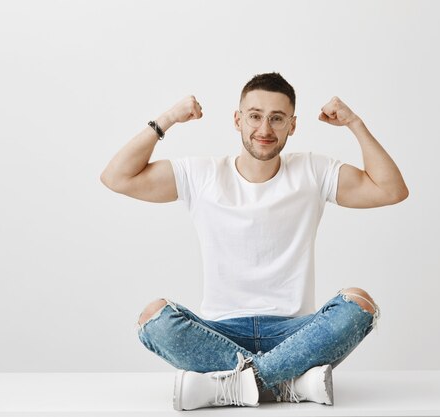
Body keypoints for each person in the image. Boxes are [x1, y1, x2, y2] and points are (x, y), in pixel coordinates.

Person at [100, 72, 408, 411]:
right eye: (255, 116)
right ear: (238, 119)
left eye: (277, 119)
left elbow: (391, 190)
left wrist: (355, 123)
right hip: (219, 333)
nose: (265, 129)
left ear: (292, 126)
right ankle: (288, 382)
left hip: (295, 334)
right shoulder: (201, 175)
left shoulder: (313, 171)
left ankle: (227, 387)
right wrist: (168, 118)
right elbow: (117, 177)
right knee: (154, 317)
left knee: (359, 304)